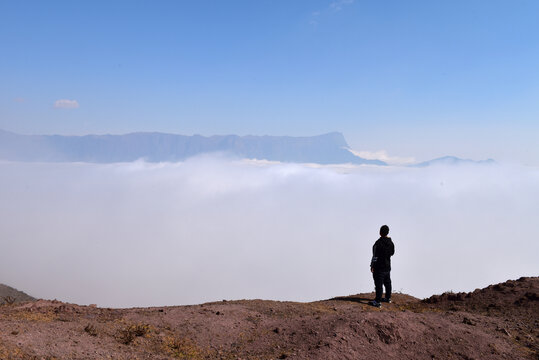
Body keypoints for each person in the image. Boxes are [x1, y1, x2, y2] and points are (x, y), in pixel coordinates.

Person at [368, 225, 395, 308]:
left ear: (380, 232)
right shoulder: (391, 243)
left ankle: (377, 301)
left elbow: (375, 256)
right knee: (388, 282)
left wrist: (372, 266)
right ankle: (388, 298)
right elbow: (392, 253)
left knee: (379, 284)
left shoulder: (378, 243)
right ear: (388, 232)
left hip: (379, 268)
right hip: (387, 266)